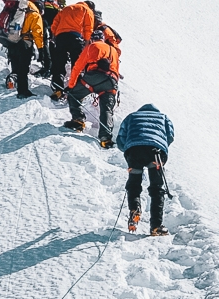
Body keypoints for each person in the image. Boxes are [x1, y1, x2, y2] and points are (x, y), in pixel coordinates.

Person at [115, 104, 175, 236]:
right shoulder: (163, 117)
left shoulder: (131, 117)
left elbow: (120, 139)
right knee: (157, 187)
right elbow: (170, 136)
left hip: (134, 151)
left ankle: (135, 208)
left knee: (134, 183)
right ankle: (156, 226)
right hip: (156, 152)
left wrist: (127, 150)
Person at [63, 30, 122, 146]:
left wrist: (71, 86)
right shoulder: (114, 51)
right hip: (111, 81)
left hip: (94, 76)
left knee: (74, 95)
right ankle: (106, 138)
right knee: (106, 109)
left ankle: (78, 121)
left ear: (92, 39)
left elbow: (78, 66)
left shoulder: (92, 46)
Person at [0, 0, 44, 97]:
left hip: (12, 41)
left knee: (15, 67)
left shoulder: (19, 10)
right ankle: (23, 91)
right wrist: (41, 48)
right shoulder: (35, 14)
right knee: (23, 69)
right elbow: (38, 33)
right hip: (25, 43)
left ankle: (12, 81)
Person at [47, 0, 95, 99]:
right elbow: (88, 27)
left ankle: (58, 89)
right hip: (76, 39)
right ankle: (76, 91)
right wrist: (86, 42)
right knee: (77, 65)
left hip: (61, 37)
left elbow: (55, 22)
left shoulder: (66, 8)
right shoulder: (87, 10)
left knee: (59, 63)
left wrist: (54, 35)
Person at [21, 0, 63, 78]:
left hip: (40, 10)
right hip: (54, 9)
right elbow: (61, 0)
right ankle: (57, 65)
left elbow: (23, 1)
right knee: (55, 38)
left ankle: (47, 66)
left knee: (42, 37)